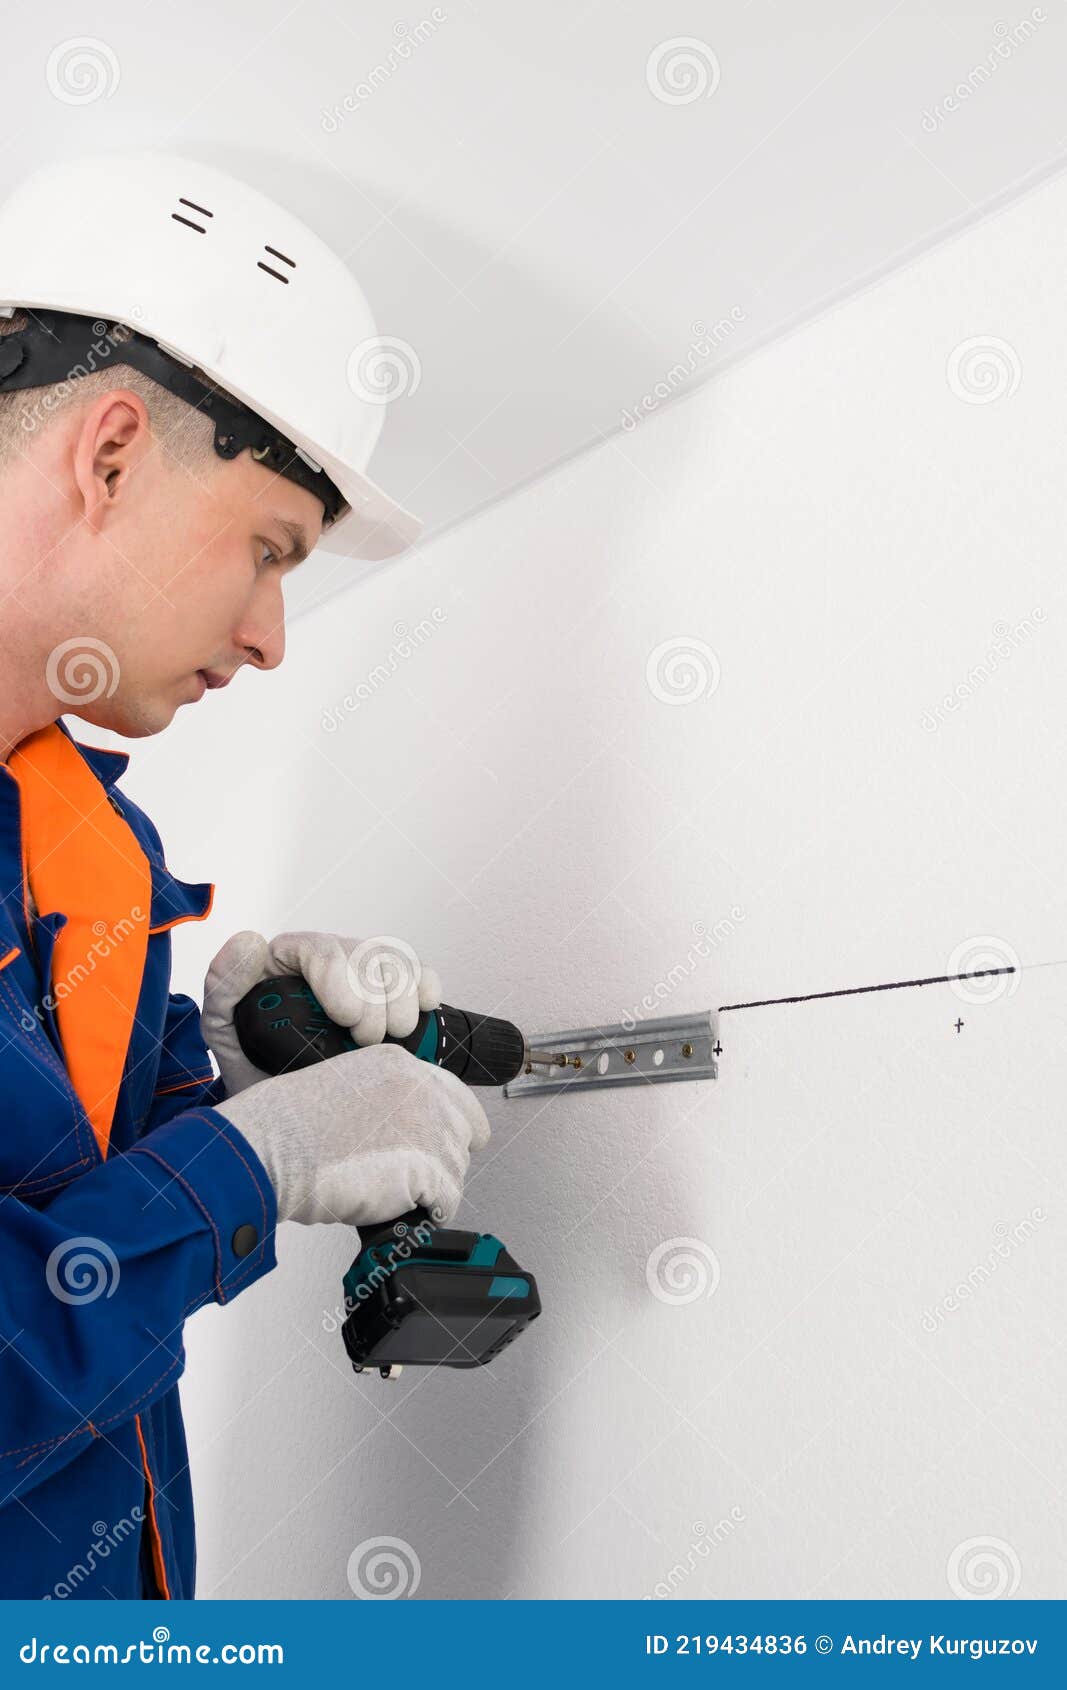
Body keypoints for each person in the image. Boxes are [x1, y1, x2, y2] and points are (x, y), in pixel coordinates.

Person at [0, 151, 491, 1600]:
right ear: (108, 455)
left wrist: (230, 1072)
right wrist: (253, 1162)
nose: (273, 636)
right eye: (270, 552)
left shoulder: (87, 843)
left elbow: (80, 1177)